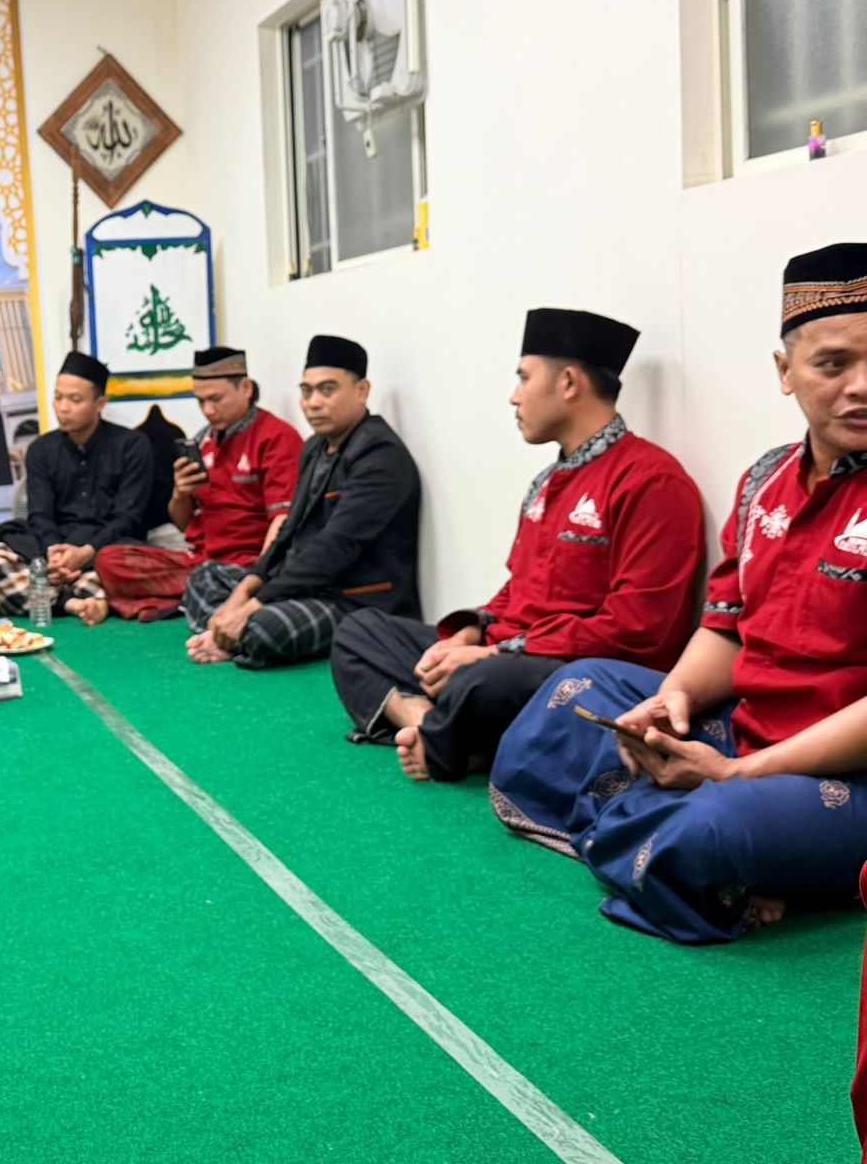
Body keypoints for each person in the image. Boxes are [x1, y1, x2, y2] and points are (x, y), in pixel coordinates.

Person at [490, 244, 867, 945]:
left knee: (714, 828)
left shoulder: (649, 475)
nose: (861, 387)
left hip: (845, 770)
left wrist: (739, 773)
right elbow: (726, 627)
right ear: (785, 372)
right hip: (745, 726)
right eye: (833, 364)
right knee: (574, 693)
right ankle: (705, 850)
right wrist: (673, 701)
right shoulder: (764, 481)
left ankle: (699, 845)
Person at [331, 309, 705, 781]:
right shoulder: (546, 482)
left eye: (524, 378)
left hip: (579, 671)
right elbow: (518, 590)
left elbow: (638, 629)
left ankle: (450, 736)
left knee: (481, 682)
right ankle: (425, 723)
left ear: (568, 383)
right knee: (358, 631)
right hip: (509, 652)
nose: (514, 395)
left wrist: (496, 653)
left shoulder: (651, 481)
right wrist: (470, 634)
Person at [182, 335, 421, 669]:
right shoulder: (314, 448)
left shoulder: (380, 456)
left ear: (362, 391)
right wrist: (243, 593)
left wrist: (255, 605)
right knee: (203, 578)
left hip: (353, 601)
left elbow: (334, 548)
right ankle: (230, 634)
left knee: (265, 627)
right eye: (306, 392)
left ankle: (232, 635)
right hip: (302, 588)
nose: (313, 403)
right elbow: (288, 531)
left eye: (327, 390)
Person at [95, 346, 302, 621]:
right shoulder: (202, 441)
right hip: (199, 563)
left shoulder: (277, 437)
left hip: (247, 566)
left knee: (207, 578)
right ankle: (193, 596)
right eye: (201, 401)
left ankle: (177, 599)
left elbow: (282, 521)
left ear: (246, 388)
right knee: (109, 561)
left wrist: (260, 576)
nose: (208, 410)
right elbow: (184, 525)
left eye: (216, 399)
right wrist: (180, 494)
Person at [0, 351, 154, 625]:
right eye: (58, 397)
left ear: (100, 404)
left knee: (134, 565)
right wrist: (54, 555)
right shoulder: (41, 449)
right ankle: (72, 602)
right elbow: (40, 515)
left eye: (75, 400)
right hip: (51, 551)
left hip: (103, 550)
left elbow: (127, 518)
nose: (63, 407)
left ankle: (50, 595)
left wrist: (86, 553)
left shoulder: (132, 446)